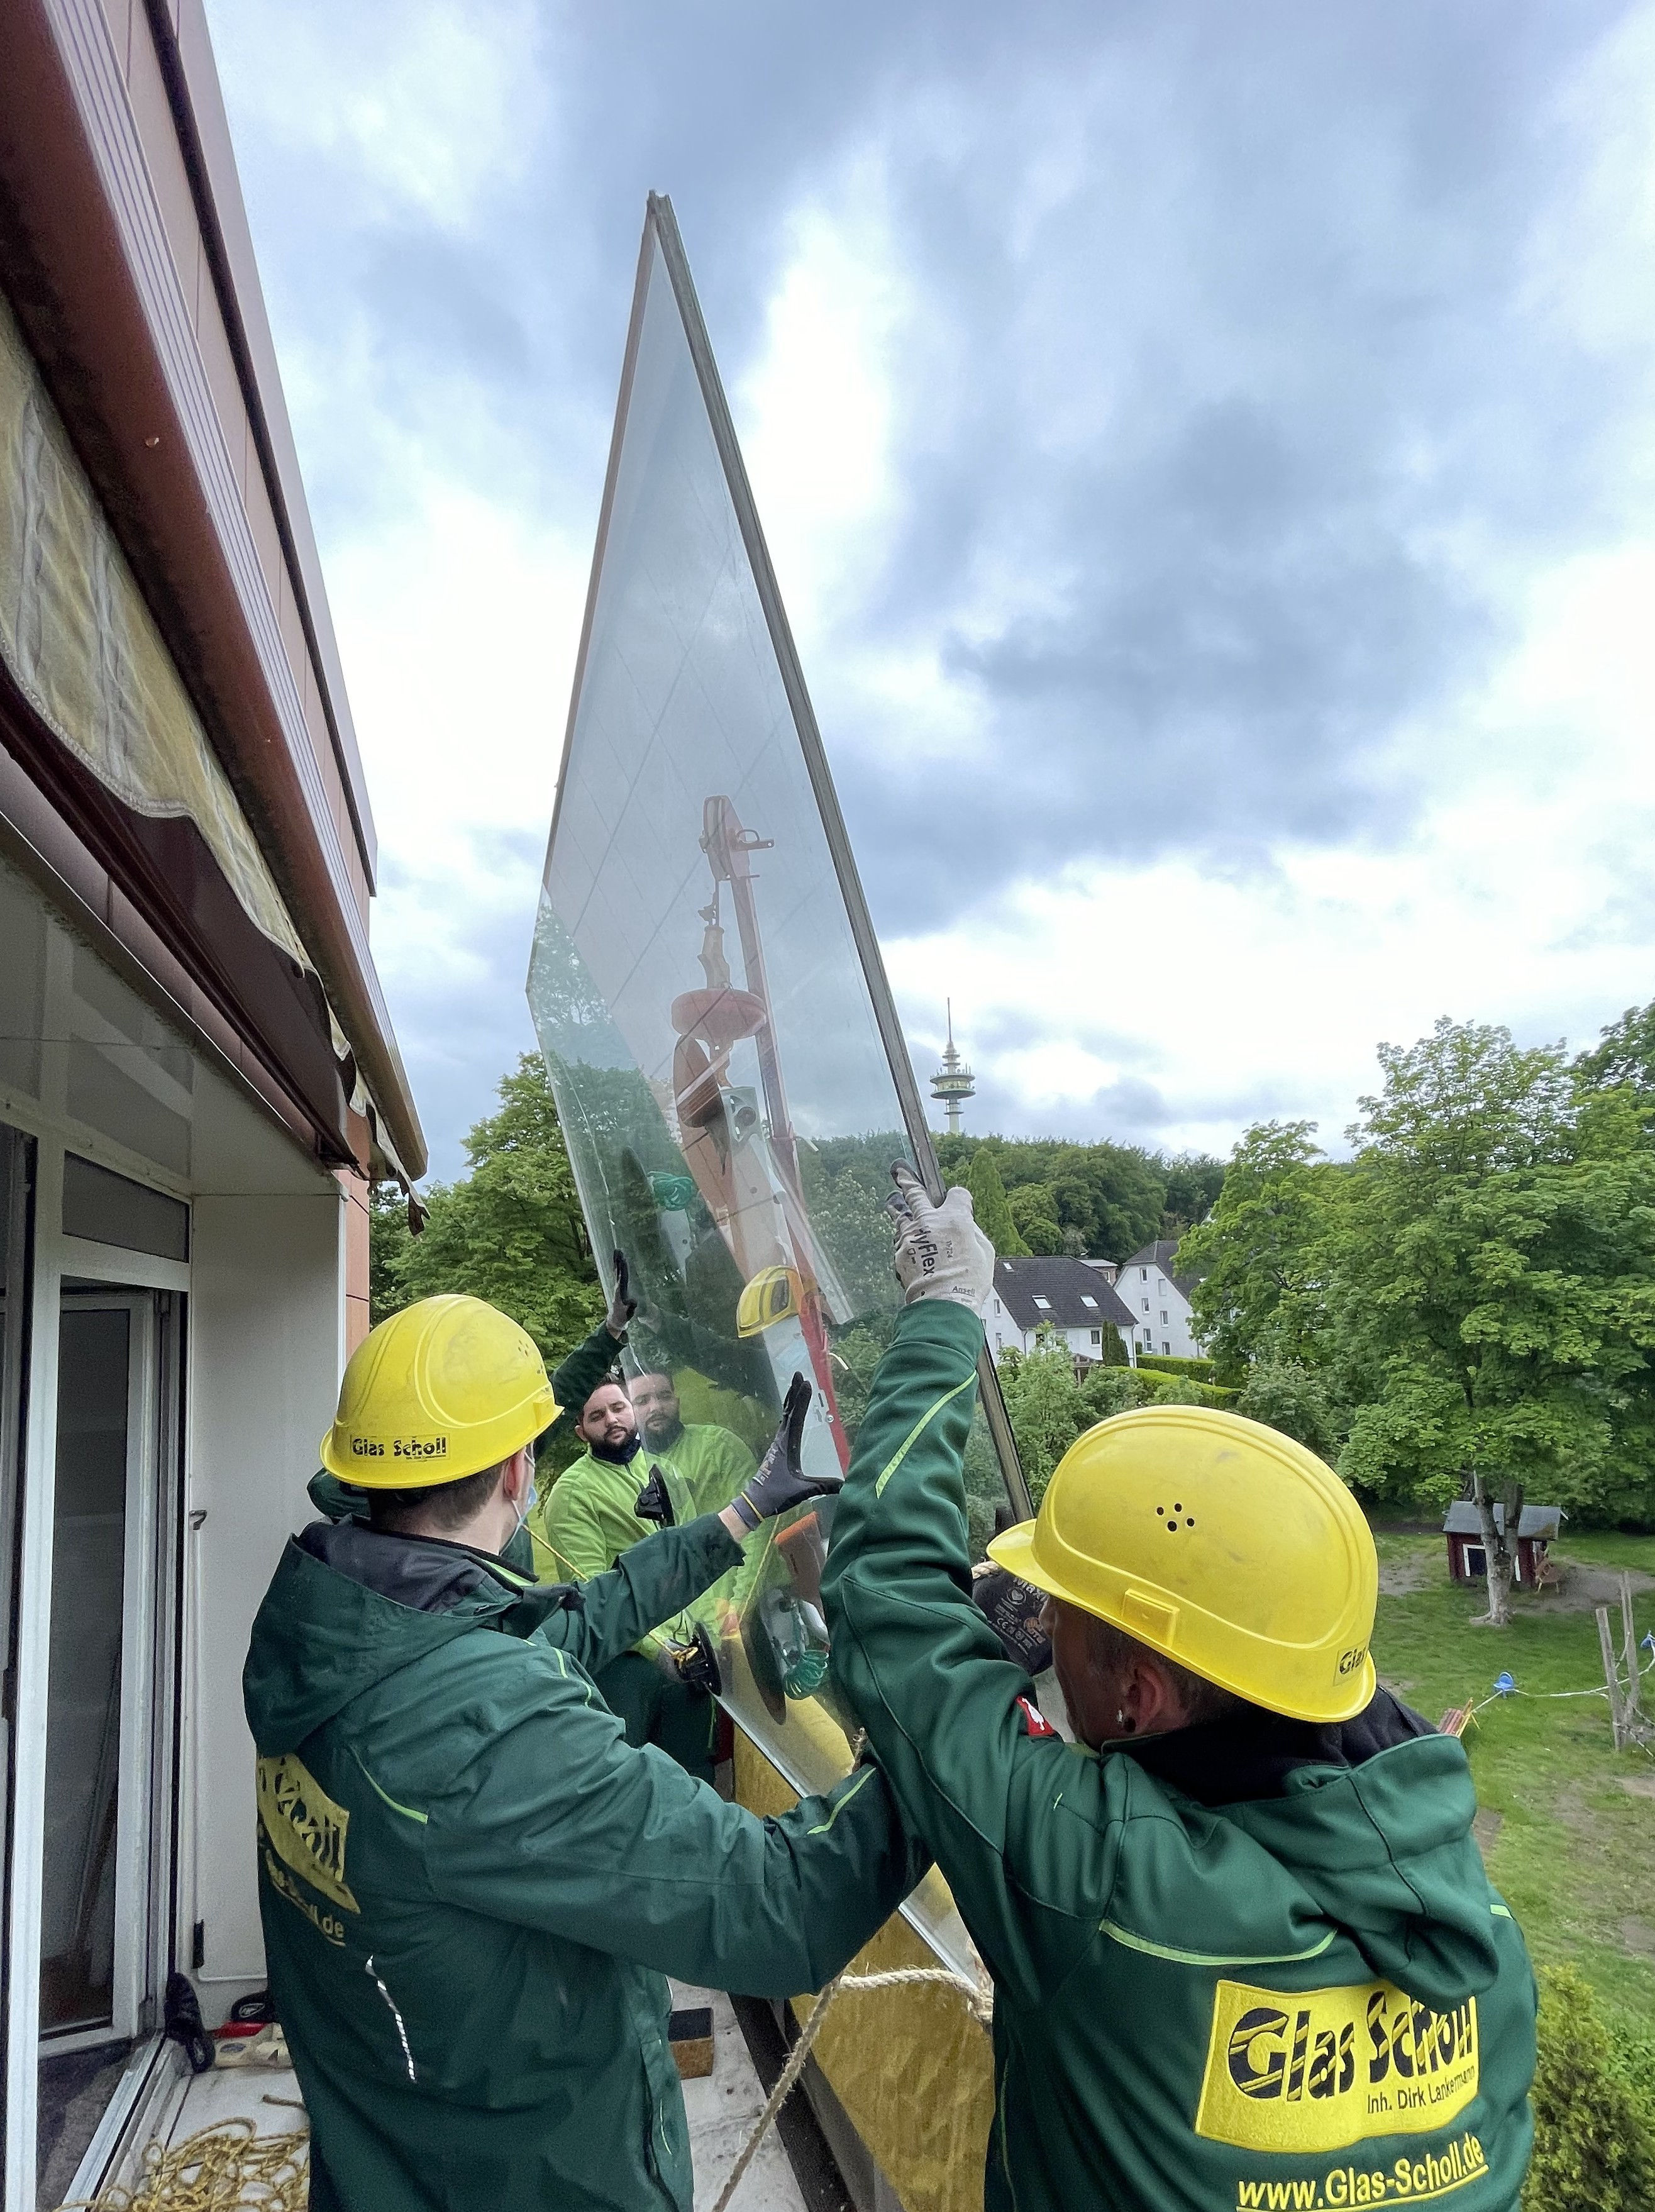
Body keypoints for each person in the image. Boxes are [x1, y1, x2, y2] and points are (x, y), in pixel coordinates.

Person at [821, 1166, 1537, 2212]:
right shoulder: (1479, 1921)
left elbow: (883, 1597)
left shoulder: (1106, 1887)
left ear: (1139, 1699)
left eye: (1057, 1612)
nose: (1037, 1618)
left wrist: (941, 1312)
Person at [245, 1293, 924, 2212]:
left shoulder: (330, 1630)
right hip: (536, 2168)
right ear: (523, 1472)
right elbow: (784, 1906)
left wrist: (737, 1516)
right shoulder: (486, 1720)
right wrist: (948, 1714)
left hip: (391, 2144)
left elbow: (579, 1616)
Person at [527, 1354, 758, 1782]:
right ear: (580, 1430)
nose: (612, 1420)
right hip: (629, 1663)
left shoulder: (664, 1470)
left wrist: (712, 1628)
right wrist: (664, 1651)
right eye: (597, 1415)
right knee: (637, 1776)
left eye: (618, 1408)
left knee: (694, 1773)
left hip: (690, 1654)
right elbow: (595, 1593)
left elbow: (695, 1565)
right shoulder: (571, 1494)